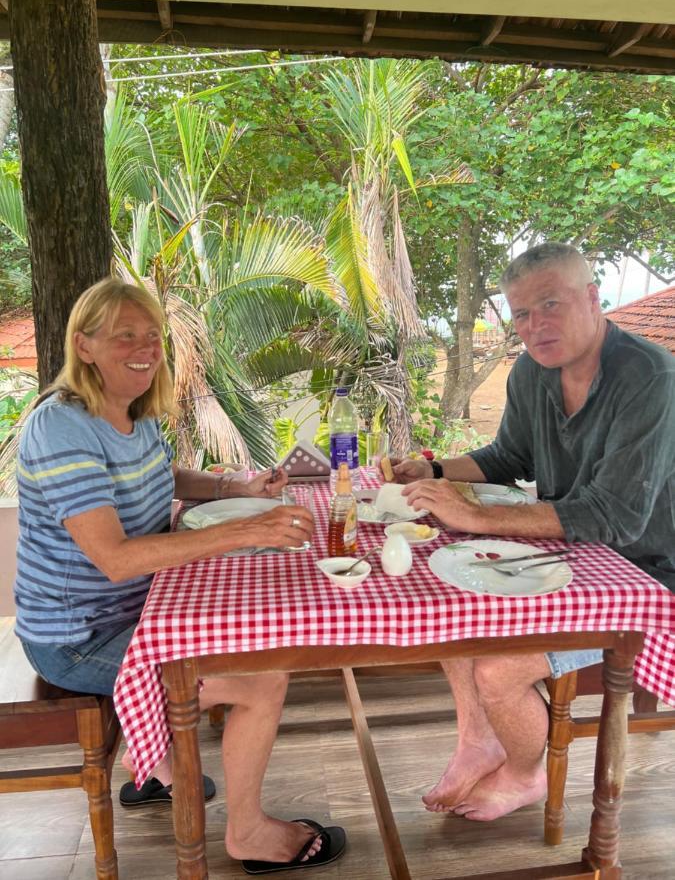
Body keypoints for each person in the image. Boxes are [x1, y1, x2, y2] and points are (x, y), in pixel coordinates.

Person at [14, 277, 346, 871]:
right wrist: (246, 529)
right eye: (125, 336)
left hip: (139, 610)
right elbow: (114, 557)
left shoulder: (130, 412)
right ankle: (246, 833)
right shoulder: (60, 425)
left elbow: (163, 476)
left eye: (152, 336)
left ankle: (155, 767)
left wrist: (235, 488)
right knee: (262, 677)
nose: (144, 348)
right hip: (78, 638)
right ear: (84, 345)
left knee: (257, 633)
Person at [390, 242, 675, 822]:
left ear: (594, 299)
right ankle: (480, 742)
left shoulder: (650, 377)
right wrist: (436, 470)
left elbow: (614, 515)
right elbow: (509, 455)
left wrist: (477, 516)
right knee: (452, 608)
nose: (534, 325)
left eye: (550, 304)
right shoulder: (532, 370)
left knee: (499, 669)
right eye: (521, 313)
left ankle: (526, 775)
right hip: (568, 562)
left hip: (645, 582)